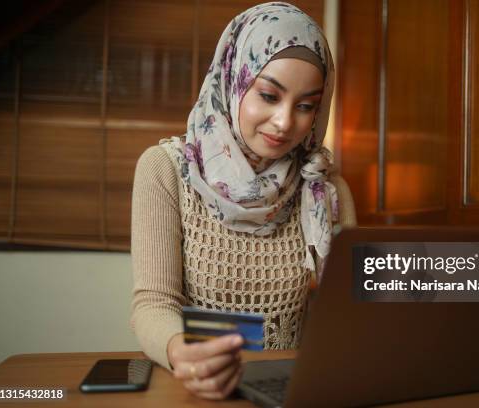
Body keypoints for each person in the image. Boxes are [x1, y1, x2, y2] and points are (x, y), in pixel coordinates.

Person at [130, 1, 356, 400]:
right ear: (233, 79)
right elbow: (153, 303)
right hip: (199, 389)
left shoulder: (324, 186)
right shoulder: (165, 169)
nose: (286, 122)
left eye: (306, 106)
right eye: (269, 95)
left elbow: (348, 309)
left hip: (297, 390)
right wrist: (181, 353)